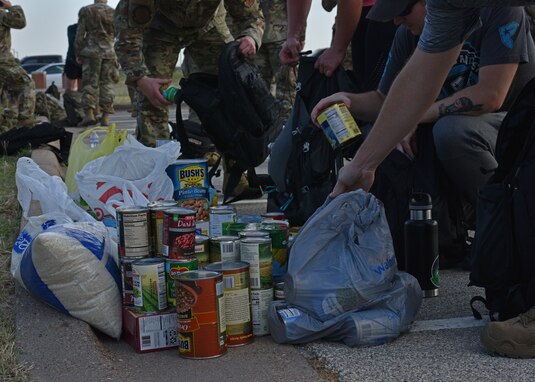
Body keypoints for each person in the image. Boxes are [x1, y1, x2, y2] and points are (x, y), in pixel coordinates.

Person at [313, 0, 535, 360]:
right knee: (395, 133)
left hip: (509, 127)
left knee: (450, 130)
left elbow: (491, 95)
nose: (398, 21)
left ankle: (499, 229)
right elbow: (407, 89)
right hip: (485, 131)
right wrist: (361, 162)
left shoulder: (500, 12)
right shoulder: (441, 13)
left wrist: (419, 117)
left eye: (403, 10)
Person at [114, 0, 264, 200]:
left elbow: (250, 16)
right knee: (152, 102)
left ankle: (236, 176)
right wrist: (140, 79)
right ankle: (156, 185)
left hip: (208, 25)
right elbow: (127, 35)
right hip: (160, 28)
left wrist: (250, 37)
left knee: (231, 91)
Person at [280, 0, 397, 93]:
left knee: (378, 92)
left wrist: (338, 49)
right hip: (356, 13)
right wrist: (293, 36)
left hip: (385, 11)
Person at [75, 0, 117, 127]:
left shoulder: (87, 10)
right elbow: (118, 33)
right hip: (109, 52)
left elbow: (80, 33)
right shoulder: (113, 12)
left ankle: (89, 114)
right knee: (108, 84)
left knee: (89, 84)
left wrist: (78, 52)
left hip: (91, 52)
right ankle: (105, 117)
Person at [254, 0, 297, 118]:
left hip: (282, 38)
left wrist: (298, 35)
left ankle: (286, 125)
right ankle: (263, 125)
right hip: (256, 35)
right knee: (258, 85)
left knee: (287, 86)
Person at [0, 0, 36, 132]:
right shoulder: (2, 15)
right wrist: (11, 7)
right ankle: (24, 118)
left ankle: (5, 129)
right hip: (3, 61)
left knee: (5, 96)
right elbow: (20, 22)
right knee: (27, 84)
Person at [64, 23, 83, 92]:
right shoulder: (72, 28)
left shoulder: (90, 30)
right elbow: (73, 41)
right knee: (69, 89)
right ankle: (68, 101)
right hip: (72, 59)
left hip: (84, 61)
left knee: (81, 90)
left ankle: (79, 102)